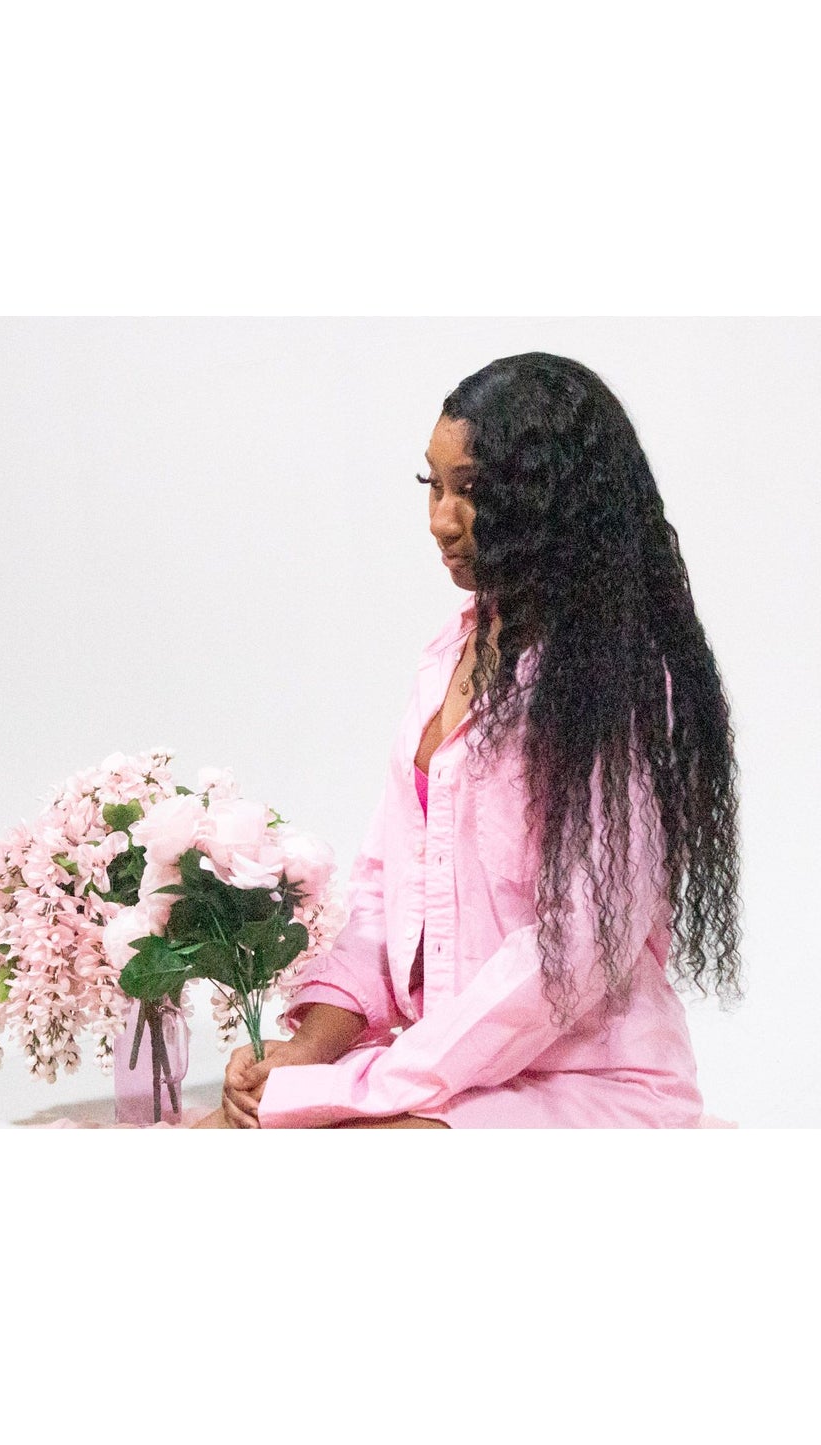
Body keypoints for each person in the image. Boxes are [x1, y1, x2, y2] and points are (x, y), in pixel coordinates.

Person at [193, 351, 744, 1128]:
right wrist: (307, 1051)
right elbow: (385, 885)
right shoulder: (445, 659)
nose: (440, 518)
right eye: (433, 484)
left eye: (474, 491)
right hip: (447, 1071)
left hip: (587, 1080)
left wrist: (371, 1084)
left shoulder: (616, 685)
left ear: (552, 502)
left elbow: (573, 948)